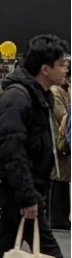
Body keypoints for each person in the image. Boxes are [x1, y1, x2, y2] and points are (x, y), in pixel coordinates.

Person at [0, 35, 69, 258]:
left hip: (23, 186)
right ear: (45, 69)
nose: (66, 69)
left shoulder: (37, 95)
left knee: (5, 248)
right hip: (18, 187)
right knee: (50, 254)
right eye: (61, 64)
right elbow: (12, 151)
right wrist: (27, 196)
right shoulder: (18, 99)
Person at [49, 59, 70, 231]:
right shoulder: (56, 91)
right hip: (59, 140)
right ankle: (58, 218)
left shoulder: (64, 89)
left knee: (62, 177)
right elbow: (62, 116)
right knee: (60, 176)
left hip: (62, 139)